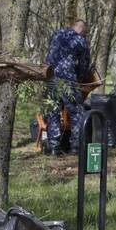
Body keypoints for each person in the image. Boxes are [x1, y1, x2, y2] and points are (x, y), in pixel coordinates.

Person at [43, 19, 91, 154]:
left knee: (53, 111)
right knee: (76, 112)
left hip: (50, 76)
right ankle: (75, 147)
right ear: (82, 29)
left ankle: (54, 147)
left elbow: (50, 53)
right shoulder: (80, 40)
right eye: (85, 32)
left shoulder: (57, 34)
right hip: (67, 79)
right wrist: (82, 77)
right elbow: (84, 64)